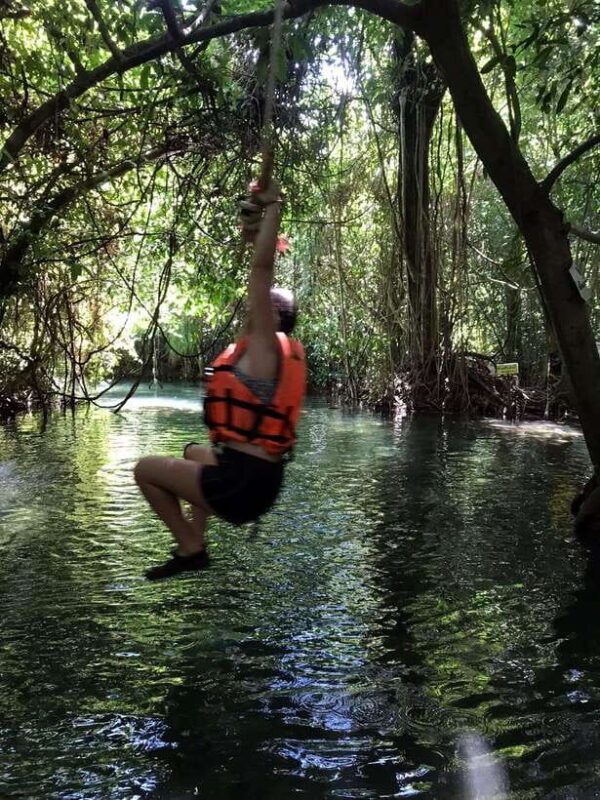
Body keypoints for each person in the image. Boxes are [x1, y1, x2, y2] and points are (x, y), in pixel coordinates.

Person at [134, 178, 306, 580]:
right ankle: (197, 533)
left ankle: (192, 548)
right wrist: (256, 228)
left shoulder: (265, 344)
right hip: (260, 481)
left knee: (145, 469)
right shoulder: (267, 353)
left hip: (241, 486)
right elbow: (259, 266)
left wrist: (274, 207)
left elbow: (262, 269)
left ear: (272, 316)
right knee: (193, 451)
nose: (250, 306)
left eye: (260, 305)